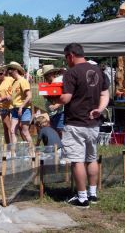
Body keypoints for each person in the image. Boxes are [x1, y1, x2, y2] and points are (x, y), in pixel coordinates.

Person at [59, 43, 109, 208]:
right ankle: (93, 194)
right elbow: (105, 94)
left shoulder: (71, 73)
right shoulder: (98, 70)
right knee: (91, 158)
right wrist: (99, 110)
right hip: (93, 123)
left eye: (66, 58)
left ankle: (82, 198)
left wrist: (55, 99)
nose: (67, 61)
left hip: (75, 122)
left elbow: (66, 98)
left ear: (71, 56)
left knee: (77, 160)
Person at [5, 61, 33, 144]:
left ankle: (32, 152)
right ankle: (14, 153)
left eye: (10, 70)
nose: (8, 72)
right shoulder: (14, 82)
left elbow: (29, 96)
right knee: (12, 131)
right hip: (15, 110)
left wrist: (21, 106)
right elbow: (15, 96)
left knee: (25, 132)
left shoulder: (23, 81)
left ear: (15, 70)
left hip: (24, 109)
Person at [38, 64, 65, 137]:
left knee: (60, 132)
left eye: (45, 75)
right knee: (55, 132)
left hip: (59, 113)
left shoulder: (58, 82)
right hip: (52, 114)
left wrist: (56, 105)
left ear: (50, 74)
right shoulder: (48, 84)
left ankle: (62, 147)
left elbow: (64, 97)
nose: (44, 77)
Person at [0, 65, 14, 144]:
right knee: (6, 127)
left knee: (12, 127)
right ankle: (8, 146)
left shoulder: (10, 80)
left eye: (0, 74)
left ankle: (13, 146)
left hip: (13, 106)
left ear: (4, 73)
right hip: (3, 107)